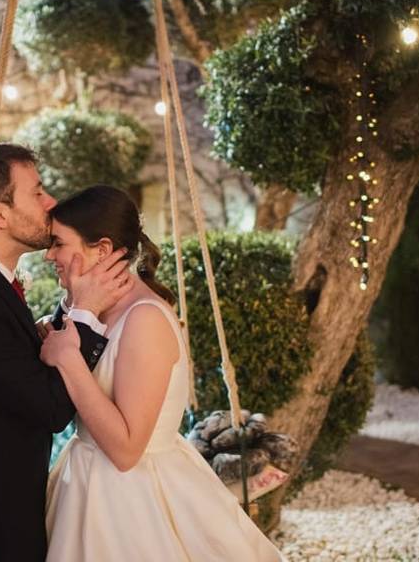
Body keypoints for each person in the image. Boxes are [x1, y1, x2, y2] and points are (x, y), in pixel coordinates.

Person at [40, 185, 284, 562]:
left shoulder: (145, 320)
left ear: (102, 250)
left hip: (129, 499)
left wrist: (69, 360)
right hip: (83, 480)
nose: (49, 255)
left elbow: (126, 450)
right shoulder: (95, 310)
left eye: (57, 243)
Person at [0, 144, 133, 561]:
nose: (51, 202)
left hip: (0, 513)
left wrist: (73, 303)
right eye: (36, 192)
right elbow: (50, 407)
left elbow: (14, 372)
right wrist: (85, 311)